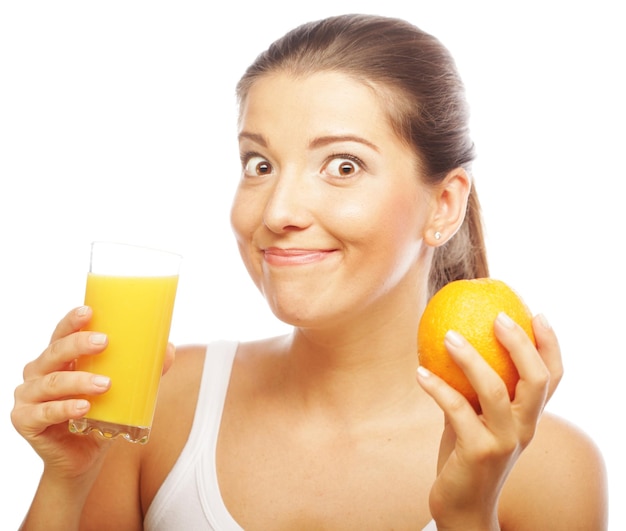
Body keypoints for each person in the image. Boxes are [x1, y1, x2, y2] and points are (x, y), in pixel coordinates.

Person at [11, 13, 607, 530]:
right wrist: (67, 479)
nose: (278, 212)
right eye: (259, 162)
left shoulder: (550, 470)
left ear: (443, 205)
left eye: (342, 165)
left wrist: (469, 517)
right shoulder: (158, 404)